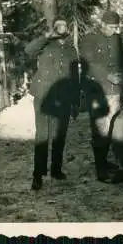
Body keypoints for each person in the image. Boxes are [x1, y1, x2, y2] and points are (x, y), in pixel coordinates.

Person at [24, 19, 78, 191]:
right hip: (43, 96)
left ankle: (56, 169)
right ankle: (37, 175)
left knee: (59, 136)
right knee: (42, 136)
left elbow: (75, 77)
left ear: (68, 29)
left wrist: (75, 102)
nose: (61, 27)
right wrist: (46, 36)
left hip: (63, 98)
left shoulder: (71, 49)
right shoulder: (45, 44)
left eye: (64, 24)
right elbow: (28, 50)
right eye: (58, 25)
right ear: (54, 28)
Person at [79, 10, 123, 182]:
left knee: (112, 128)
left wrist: (122, 75)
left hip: (116, 91)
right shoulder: (89, 39)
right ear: (103, 24)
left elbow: (122, 60)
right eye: (112, 27)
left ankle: (104, 161)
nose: (115, 30)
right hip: (98, 91)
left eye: (116, 27)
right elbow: (88, 63)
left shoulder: (117, 39)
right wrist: (107, 75)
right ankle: (101, 170)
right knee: (100, 130)